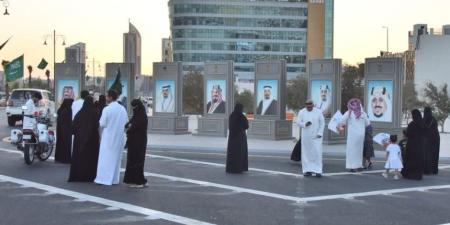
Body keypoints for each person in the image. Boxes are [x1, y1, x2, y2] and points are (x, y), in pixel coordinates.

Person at [94, 90, 129, 185]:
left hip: (108, 137)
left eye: (107, 96)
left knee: (105, 159)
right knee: (116, 160)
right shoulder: (122, 109)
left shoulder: (107, 109)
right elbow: (126, 123)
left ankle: (103, 179)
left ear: (110, 97)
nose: (106, 98)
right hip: (119, 137)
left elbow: (102, 123)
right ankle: (114, 179)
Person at [68, 96, 100, 182]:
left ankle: (79, 176)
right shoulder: (95, 113)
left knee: (79, 158)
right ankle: (90, 176)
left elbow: (73, 127)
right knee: (90, 158)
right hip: (92, 140)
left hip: (79, 140)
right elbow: (97, 126)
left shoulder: (79, 113)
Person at [339, 98, 370, 172]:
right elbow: (368, 123)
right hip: (361, 136)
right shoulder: (363, 113)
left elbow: (342, 120)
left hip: (352, 136)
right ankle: (358, 165)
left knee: (351, 150)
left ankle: (352, 166)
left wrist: (342, 126)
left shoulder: (349, 112)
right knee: (359, 151)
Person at [297, 100, 325, 177]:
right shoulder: (302, 112)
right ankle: (307, 170)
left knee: (317, 153)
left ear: (313, 104)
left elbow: (322, 123)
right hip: (306, 136)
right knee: (306, 153)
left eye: (310, 104)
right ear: (305, 105)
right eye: (307, 105)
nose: (308, 106)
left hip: (316, 136)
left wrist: (320, 133)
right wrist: (304, 124)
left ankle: (318, 171)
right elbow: (298, 122)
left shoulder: (318, 112)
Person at [124, 99, 148, 188]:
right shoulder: (137, 115)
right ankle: (138, 180)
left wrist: (130, 126)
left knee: (137, 161)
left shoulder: (142, 117)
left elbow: (133, 126)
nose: (133, 109)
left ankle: (138, 181)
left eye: (135, 107)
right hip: (134, 141)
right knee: (133, 160)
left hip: (139, 142)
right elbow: (128, 125)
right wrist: (129, 125)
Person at [401, 109, 425, 180]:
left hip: (412, 145)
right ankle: (418, 175)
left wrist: (404, 132)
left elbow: (409, 134)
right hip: (420, 144)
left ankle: (409, 174)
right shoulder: (422, 123)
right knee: (418, 160)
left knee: (410, 159)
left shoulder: (412, 124)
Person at [226, 103, 249, 173]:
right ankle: (239, 168)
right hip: (240, 138)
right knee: (240, 154)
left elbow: (230, 127)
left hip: (232, 138)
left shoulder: (231, 115)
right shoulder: (242, 116)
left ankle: (231, 168)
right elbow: (246, 126)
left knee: (232, 153)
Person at [55, 98, 73, 164]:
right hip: (66, 129)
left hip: (60, 129)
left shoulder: (60, 109)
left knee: (60, 143)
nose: (71, 105)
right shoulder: (68, 110)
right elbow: (69, 120)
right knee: (66, 144)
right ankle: (65, 159)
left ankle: (58, 158)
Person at [422, 107, 440, 175]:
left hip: (427, 140)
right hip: (435, 139)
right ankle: (434, 170)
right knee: (434, 155)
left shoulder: (424, 119)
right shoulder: (433, 119)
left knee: (427, 155)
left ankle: (427, 170)